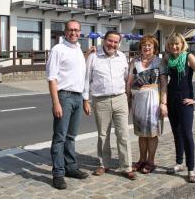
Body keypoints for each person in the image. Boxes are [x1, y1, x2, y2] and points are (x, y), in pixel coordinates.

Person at [83, 30, 137, 180]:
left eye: (115, 42)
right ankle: (104, 164)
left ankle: (126, 166)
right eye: (110, 41)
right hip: (101, 100)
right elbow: (86, 79)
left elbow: (127, 79)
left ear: (119, 44)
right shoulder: (93, 57)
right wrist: (85, 100)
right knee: (103, 134)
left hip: (120, 98)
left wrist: (128, 97)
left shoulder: (122, 57)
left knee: (123, 134)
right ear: (104, 40)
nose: (112, 44)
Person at [46, 20, 89, 190]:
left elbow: (78, 73)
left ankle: (70, 167)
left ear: (80, 32)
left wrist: (85, 99)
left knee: (71, 137)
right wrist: (56, 102)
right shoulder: (58, 49)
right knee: (60, 138)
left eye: (76, 30)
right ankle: (58, 173)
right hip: (64, 97)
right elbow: (51, 77)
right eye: (70, 30)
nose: (73, 33)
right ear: (65, 31)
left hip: (78, 97)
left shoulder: (78, 49)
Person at [163, 32, 195, 183]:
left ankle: (191, 169)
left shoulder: (189, 57)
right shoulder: (168, 59)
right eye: (171, 44)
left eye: (177, 43)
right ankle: (179, 163)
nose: (174, 46)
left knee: (187, 134)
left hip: (185, 101)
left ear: (182, 44)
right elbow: (163, 80)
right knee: (176, 132)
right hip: (171, 99)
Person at [127, 35, 168, 174]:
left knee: (152, 134)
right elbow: (129, 82)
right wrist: (128, 101)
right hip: (138, 100)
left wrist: (163, 102)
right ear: (141, 47)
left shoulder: (159, 62)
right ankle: (141, 159)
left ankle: (151, 161)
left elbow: (163, 84)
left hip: (153, 100)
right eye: (144, 44)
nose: (146, 47)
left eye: (149, 45)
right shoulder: (134, 61)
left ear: (154, 48)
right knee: (141, 134)